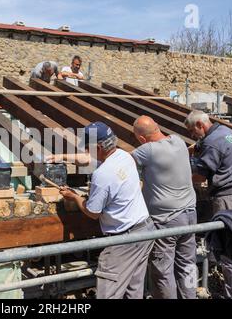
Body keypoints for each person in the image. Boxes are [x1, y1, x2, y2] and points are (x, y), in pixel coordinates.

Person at [50, 122, 155, 299]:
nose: (85, 152)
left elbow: (93, 212)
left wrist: (74, 196)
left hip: (123, 239)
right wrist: (61, 156)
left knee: (108, 292)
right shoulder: (123, 155)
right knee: (133, 290)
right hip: (144, 231)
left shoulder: (103, 174)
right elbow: (88, 159)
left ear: (98, 147)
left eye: (87, 148)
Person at [184, 110, 232, 299]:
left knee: (229, 254)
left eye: (192, 131)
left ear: (200, 125)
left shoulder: (213, 143)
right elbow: (212, 147)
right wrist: (198, 147)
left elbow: (200, 176)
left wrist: (179, 177)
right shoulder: (224, 131)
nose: (191, 135)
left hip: (227, 200)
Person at [132, 116, 197, 299]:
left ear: (142, 139)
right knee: (188, 264)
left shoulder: (147, 150)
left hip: (166, 220)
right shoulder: (178, 140)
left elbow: (120, 164)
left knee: (162, 271)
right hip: (190, 216)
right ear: (158, 127)